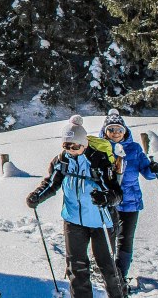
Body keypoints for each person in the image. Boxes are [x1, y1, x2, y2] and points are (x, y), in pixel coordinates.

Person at [27, 114, 125, 298]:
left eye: (75, 146)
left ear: (84, 144)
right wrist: (37, 196)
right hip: (73, 220)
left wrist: (105, 197)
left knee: (107, 267)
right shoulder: (62, 160)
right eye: (66, 145)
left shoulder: (99, 161)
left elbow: (117, 194)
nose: (70, 149)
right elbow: (51, 183)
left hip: (101, 221)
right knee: (76, 267)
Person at [101, 108, 158, 288]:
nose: (115, 133)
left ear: (125, 131)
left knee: (126, 239)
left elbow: (147, 173)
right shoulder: (99, 149)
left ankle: (120, 275)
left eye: (119, 129)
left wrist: (153, 169)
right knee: (106, 239)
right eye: (111, 129)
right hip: (107, 202)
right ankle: (107, 272)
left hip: (130, 202)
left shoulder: (134, 149)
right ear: (105, 131)